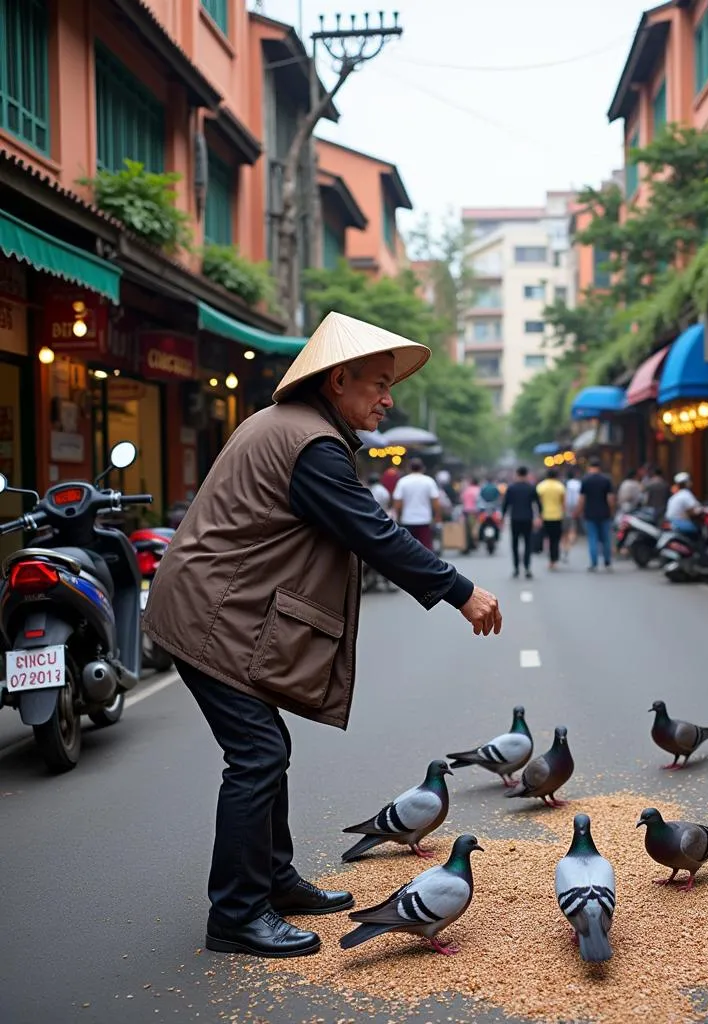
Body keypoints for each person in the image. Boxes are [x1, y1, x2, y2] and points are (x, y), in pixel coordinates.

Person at [142, 311, 502, 960]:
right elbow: (374, 532)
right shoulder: (312, 445)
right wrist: (460, 591)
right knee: (256, 754)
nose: (388, 398)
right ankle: (236, 913)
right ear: (339, 381)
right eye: (379, 384)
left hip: (213, 608)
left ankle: (271, 881)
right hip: (209, 615)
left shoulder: (299, 429)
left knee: (265, 746)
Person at [393, 458, 441, 549]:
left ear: (409, 468)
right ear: (423, 468)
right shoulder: (429, 481)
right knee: (426, 549)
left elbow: (398, 503)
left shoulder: (403, 482)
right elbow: (436, 502)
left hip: (407, 519)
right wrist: (437, 516)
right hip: (424, 519)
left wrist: (398, 516)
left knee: (408, 548)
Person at [503, 465, 541, 579]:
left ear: (517, 474)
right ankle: (527, 567)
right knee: (528, 543)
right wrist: (538, 517)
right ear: (527, 474)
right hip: (527, 518)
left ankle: (516, 568)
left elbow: (506, 504)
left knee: (515, 544)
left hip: (515, 518)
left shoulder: (511, 488)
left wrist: (503, 517)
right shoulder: (531, 487)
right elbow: (538, 504)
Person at [579, 460, 615, 571]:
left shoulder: (586, 480)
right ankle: (607, 562)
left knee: (592, 538)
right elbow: (610, 499)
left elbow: (582, 499)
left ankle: (594, 563)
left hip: (590, 513)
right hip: (604, 513)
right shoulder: (606, 480)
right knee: (606, 539)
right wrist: (611, 511)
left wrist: (579, 511)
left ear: (590, 467)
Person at [535, 468, 567, 569]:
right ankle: (554, 559)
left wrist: (538, 516)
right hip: (557, 516)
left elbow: (538, 503)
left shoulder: (541, 486)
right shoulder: (560, 487)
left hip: (544, 515)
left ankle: (548, 555)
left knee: (546, 537)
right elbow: (563, 502)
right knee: (555, 539)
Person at [564, 467, 582, 558]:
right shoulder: (578, 484)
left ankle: (567, 542)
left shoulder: (566, 484)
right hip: (578, 506)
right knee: (574, 524)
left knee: (568, 525)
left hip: (567, 507)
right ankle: (573, 538)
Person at [461, 476, 481, 553]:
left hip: (466, 511)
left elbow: (462, 499)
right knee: (474, 528)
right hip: (474, 512)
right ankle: (473, 543)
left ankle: (467, 545)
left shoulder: (466, 490)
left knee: (467, 529)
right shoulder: (478, 490)